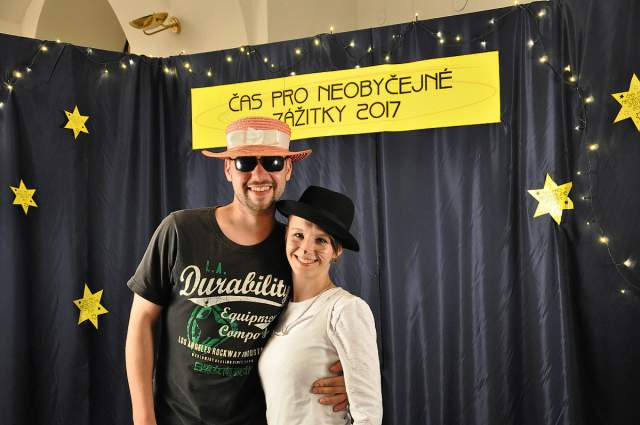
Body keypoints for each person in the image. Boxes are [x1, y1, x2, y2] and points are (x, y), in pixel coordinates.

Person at [125, 117, 348, 425]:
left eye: (272, 162)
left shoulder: (295, 250)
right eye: (245, 162)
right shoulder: (179, 230)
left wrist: (347, 376)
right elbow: (142, 321)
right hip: (176, 417)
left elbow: (320, 319)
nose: (259, 175)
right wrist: (143, 417)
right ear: (228, 169)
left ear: (287, 169)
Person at [258, 185, 383, 424]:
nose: (306, 248)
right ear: (286, 235)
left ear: (337, 250)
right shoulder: (277, 307)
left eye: (321, 240)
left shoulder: (345, 309)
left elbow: (368, 415)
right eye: (298, 235)